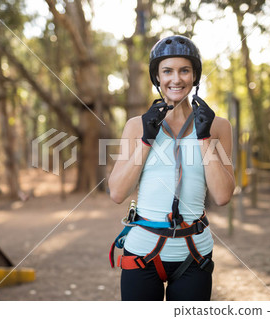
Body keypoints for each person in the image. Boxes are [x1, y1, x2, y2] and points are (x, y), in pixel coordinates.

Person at [108, 35, 235, 301]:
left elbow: (222, 196)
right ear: (157, 77)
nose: (175, 79)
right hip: (142, 253)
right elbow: (118, 193)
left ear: (195, 75)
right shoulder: (136, 125)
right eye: (167, 71)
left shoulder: (218, 126)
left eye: (184, 70)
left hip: (195, 256)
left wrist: (204, 138)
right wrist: (146, 139)